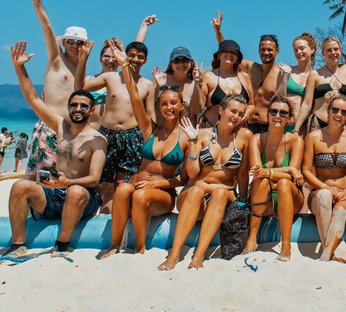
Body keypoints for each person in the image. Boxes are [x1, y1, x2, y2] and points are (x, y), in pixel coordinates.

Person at [3, 42, 106, 258]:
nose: (78, 109)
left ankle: (62, 244)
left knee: (76, 191)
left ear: (91, 110)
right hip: (55, 194)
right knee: (20, 185)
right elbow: (32, 99)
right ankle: (18, 244)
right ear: (68, 107)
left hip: (82, 197)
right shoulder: (61, 127)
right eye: (74, 105)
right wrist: (19, 67)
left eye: (83, 106)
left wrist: (67, 183)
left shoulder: (97, 140)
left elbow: (94, 179)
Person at [100, 40, 193, 258]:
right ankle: (114, 245)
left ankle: (139, 247)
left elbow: (184, 179)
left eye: (173, 103)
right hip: (136, 184)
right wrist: (124, 66)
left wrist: (157, 183)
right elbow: (135, 100)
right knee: (121, 189)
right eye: (164, 104)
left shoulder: (187, 137)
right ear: (159, 107)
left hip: (163, 192)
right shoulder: (150, 129)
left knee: (141, 197)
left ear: (181, 106)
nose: (169, 108)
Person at [158, 93, 253, 270]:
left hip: (222, 197)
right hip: (195, 195)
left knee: (221, 192)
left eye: (241, 114)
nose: (236, 117)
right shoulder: (200, 135)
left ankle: (199, 255)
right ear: (221, 110)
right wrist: (193, 142)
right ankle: (174, 255)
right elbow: (192, 173)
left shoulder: (244, 136)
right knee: (195, 191)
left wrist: (243, 201)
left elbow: (242, 174)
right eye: (233, 111)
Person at [75, 40, 155, 213]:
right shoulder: (111, 77)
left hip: (133, 138)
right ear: (125, 56)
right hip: (106, 135)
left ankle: (113, 220)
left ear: (145, 60)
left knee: (122, 185)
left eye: (140, 57)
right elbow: (80, 87)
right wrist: (83, 61)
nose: (135, 59)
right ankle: (88, 216)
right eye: (132, 55)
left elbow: (150, 117)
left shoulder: (148, 85)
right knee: (100, 182)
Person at [24, 0, 89, 180]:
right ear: (64, 43)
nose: (74, 45)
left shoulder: (83, 69)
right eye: (70, 41)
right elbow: (48, 28)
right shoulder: (56, 59)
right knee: (35, 179)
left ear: (85, 45)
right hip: (48, 129)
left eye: (79, 42)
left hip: (70, 133)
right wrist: (37, 1)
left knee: (61, 180)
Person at [243, 95, 304, 261]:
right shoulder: (256, 139)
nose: (278, 116)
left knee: (284, 183)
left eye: (283, 113)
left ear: (289, 118)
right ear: (267, 114)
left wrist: (270, 172)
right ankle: (252, 239)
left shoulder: (295, 140)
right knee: (261, 180)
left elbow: (292, 177)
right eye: (274, 111)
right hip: (265, 199)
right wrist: (287, 169)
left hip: (291, 198)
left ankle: (286, 245)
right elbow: (257, 172)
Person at [301, 92, 346, 262]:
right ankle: (330, 253)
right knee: (324, 195)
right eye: (335, 110)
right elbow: (305, 170)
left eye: (344, 112)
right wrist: (325, 187)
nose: (339, 115)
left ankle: (326, 254)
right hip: (320, 193)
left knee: (340, 211)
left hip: (344, 194)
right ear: (328, 110)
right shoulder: (313, 138)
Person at [212, 13, 282, 134]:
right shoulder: (250, 67)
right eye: (263, 49)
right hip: (245, 124)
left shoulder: (281, 74)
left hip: (268, 126)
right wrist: (218, 31)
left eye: (270, 50)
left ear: (277, 51)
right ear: (258, 51)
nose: (266, 52)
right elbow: (228, 53)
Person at [295, 36, 346, 134]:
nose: (333, 53)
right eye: (329, 50)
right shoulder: (315, 74)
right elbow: (307, 104)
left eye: (336, 49)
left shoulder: (345, 71)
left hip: (340, 125)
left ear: (340, 51)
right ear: (323, 53)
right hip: (318, 124)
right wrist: (296, 130)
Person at [191, 40, 254, 128]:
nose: (230, 54)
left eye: (234, 52)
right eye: (226, 51)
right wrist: (197, 84)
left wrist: (247, 113)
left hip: (238, 131)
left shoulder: (244, 77)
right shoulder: (208, 76)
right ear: (218, 55)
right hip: (211, 129)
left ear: (238, 58)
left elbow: (251, 104)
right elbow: (197, 109)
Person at [274, 33, 317, 133]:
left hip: (304, 128)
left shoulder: (316, 76)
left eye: (302, 48)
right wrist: (286, 75)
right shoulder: (286, 70)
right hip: (283, 125)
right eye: (295, 50)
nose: (299, 52)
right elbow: (278, 98)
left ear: (312, 49)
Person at [152, 46, 202, 121]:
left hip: (185, 130)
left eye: (185, 60)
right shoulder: (160, 79)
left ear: (190, 63)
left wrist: (197, 83)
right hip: (163, 130)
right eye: (176, 61)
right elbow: (150, 106)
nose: (181, 64)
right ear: (171, 65)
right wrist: (159, 88)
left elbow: (196, 110)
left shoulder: (194, 83)